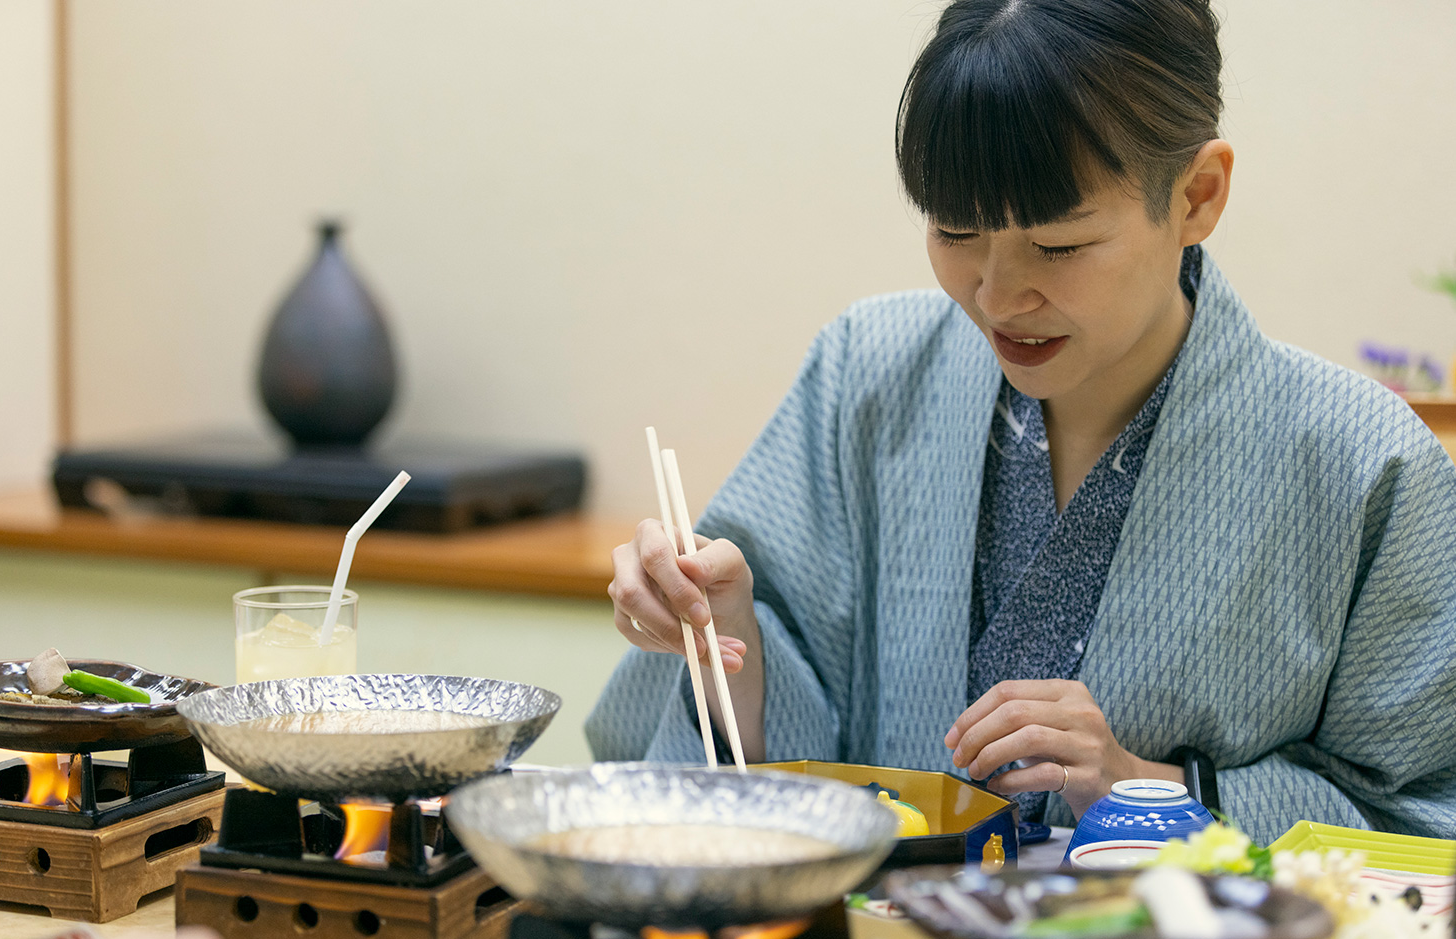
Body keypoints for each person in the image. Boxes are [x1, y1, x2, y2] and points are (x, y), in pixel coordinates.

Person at [586, 0, 1456, 846]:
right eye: (954, 230)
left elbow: (1422, 816)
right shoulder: (866, 371)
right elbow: (731, 777)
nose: (997, 298)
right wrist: (727, 635)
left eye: (1058, 246)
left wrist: (1150, 789)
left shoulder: (1365, 465)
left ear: (1196, 195)